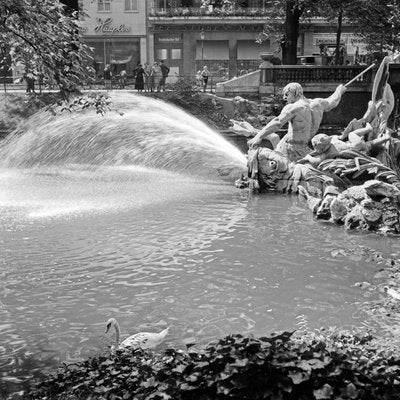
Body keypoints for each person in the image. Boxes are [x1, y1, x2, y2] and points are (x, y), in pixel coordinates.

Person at [247, 82, 347, 162]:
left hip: (288, 149)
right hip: (304, 149)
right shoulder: (318, 104)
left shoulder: (293, 107)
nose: (284, 98)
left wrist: (258, 137)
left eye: (287, 94)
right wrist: (339, 91)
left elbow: (277, 122)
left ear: (294, 93)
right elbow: (332, 101)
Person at [300, 128, 392, 167]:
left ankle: (370, 129)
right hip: (355, 145)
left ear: (322, 148)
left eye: (319, 148)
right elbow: (336, 136)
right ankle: (383, 136)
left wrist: (308, 157)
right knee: (355, 135)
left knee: (367, 142)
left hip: (355, 149)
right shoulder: (333, 140)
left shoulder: (328, 153)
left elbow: (316, 161)